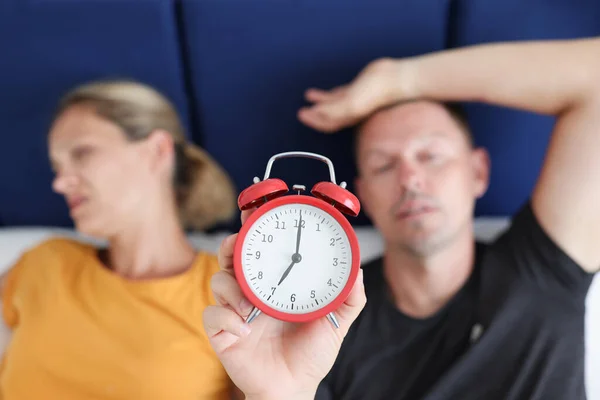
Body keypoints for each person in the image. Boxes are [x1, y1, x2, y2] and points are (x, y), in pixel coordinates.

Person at [203, 36, 600, 399]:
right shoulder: (319, 324)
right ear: (363, 195)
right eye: (383, 165)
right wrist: (280, 394)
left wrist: (400, 79)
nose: (410, 179)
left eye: (431, 155)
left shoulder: (544, 269)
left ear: (478, 172)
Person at [0, 80, 238, 399]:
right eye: (56, 167)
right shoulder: (43, 263)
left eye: (81, 153)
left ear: (156, 151)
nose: (59, 183)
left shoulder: (225, 290)